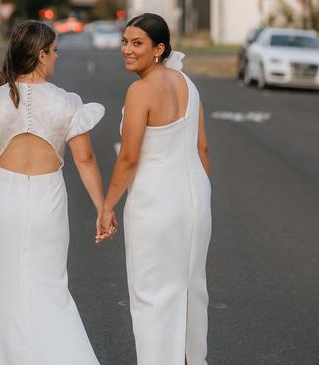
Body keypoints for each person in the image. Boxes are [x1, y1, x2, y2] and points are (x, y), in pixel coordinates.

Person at [0, 20, 105, 365]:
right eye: (54, 50)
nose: (57, 56)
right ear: (41, 55)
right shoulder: (67, 102)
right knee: (50, 287)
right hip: (48, 201)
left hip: (3, 199)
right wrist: (103, 208)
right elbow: (85, 160)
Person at [98, 13, 212, 365]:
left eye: (137, 44)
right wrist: (201, 195)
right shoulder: (187, 84)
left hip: (156, 200)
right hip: (194, 196)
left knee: (152, 294)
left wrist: (107, 206)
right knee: (191, 290)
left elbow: (129, 158)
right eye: (125, 42)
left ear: (159, 49)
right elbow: (202, 148)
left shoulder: (141, 90)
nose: (127, 50)